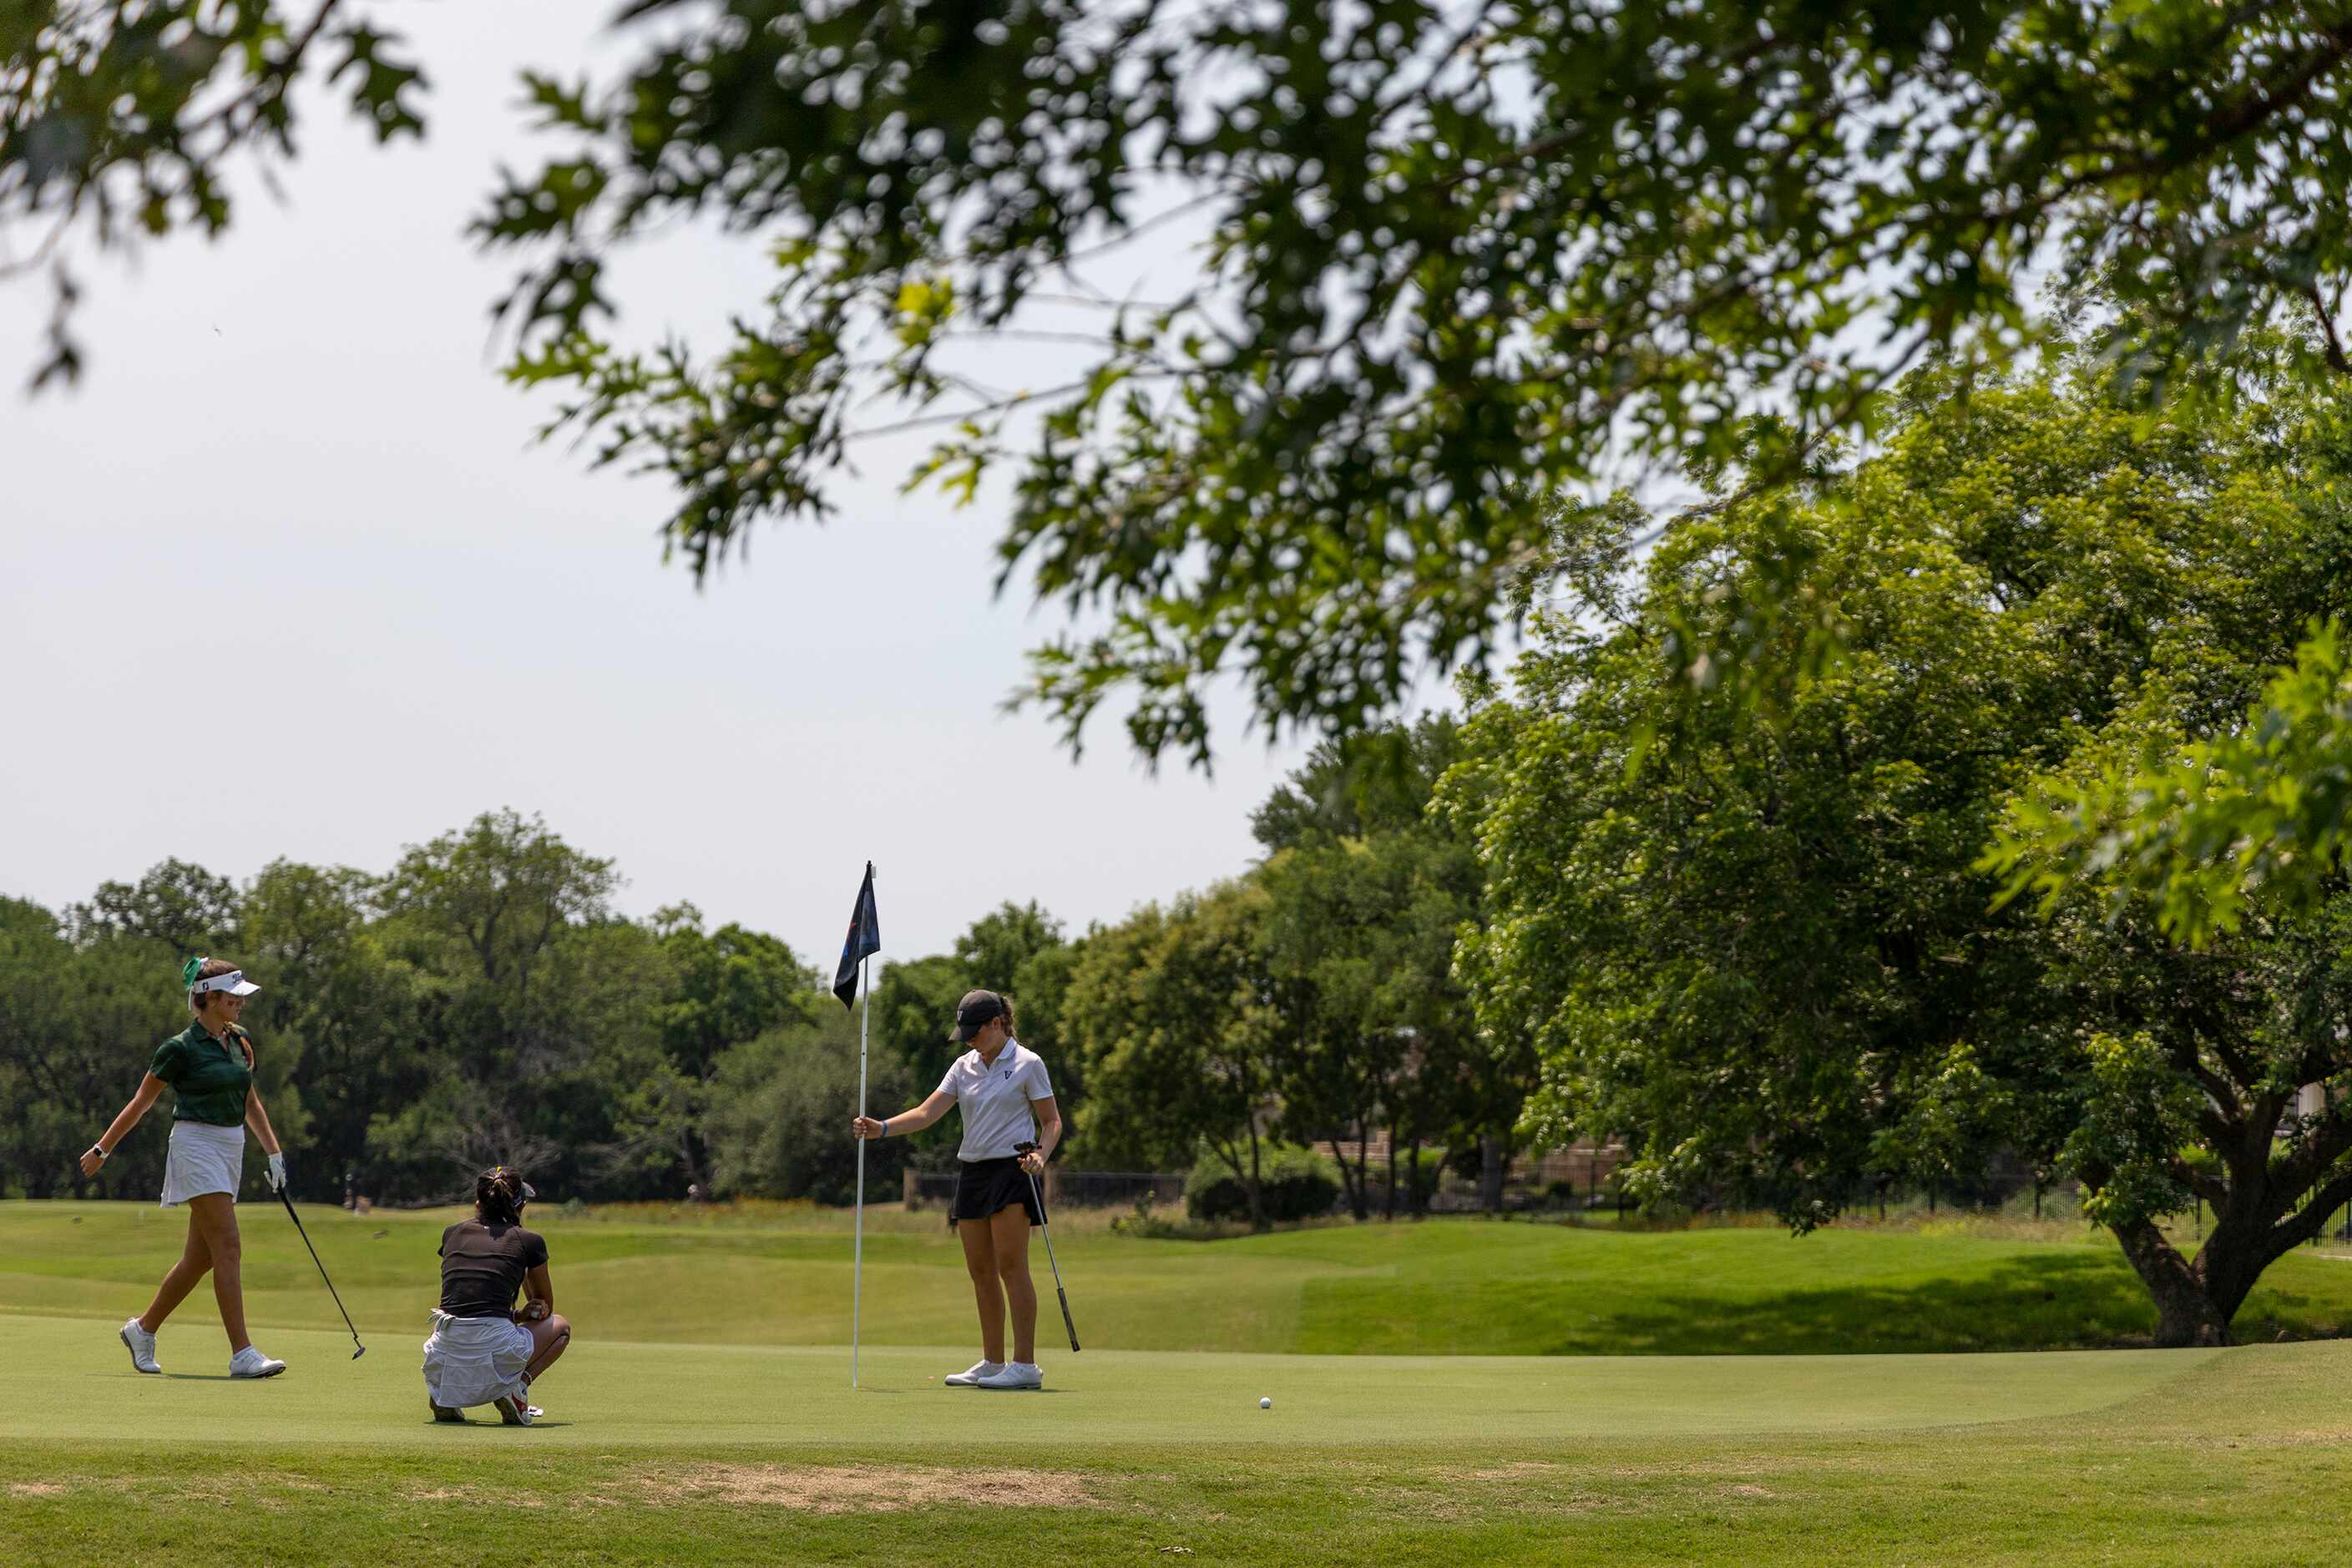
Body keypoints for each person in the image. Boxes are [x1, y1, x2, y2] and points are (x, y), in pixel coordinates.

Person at [79, 956, 291, 1379]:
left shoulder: (240, 1040)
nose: (239, 1004)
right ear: (208, 998)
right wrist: (103, 1149)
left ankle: (142, 1329)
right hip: (195, 1145)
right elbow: (141, 1102)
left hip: (230, 1147)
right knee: (229, 1245)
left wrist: (274, 1153)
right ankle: (242, 1353)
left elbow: (250, 1102)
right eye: (232, 997)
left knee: (200, 1259)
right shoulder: (178, 1048)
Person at [852, 989, 1063, 1391]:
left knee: (1011, 1267)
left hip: (1012, 1169)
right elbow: (928, 1112)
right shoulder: (963, 1066)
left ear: (997, 1024)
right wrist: (882, 1128)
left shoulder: (1027, 1063)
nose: (968, 1039)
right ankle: (992, 1361)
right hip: (973, 1172)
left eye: (974, 1032)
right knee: (980, 1270)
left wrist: (1042, 1154)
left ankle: (1025, 1366)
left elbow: (1052, 1122)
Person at [420, 1166, 571, 1426]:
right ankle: (517, 1389)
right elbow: (544, 1310)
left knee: (466, 1333)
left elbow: (469, 1302)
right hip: (495, 1345)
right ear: (521, 1205)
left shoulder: (452, 1233)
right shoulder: (529, 1241)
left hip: (442, 1354)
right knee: (561, 1327)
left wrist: (515, 1314)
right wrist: (522, 1267)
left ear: (478, 1203)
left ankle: (445, 1396)